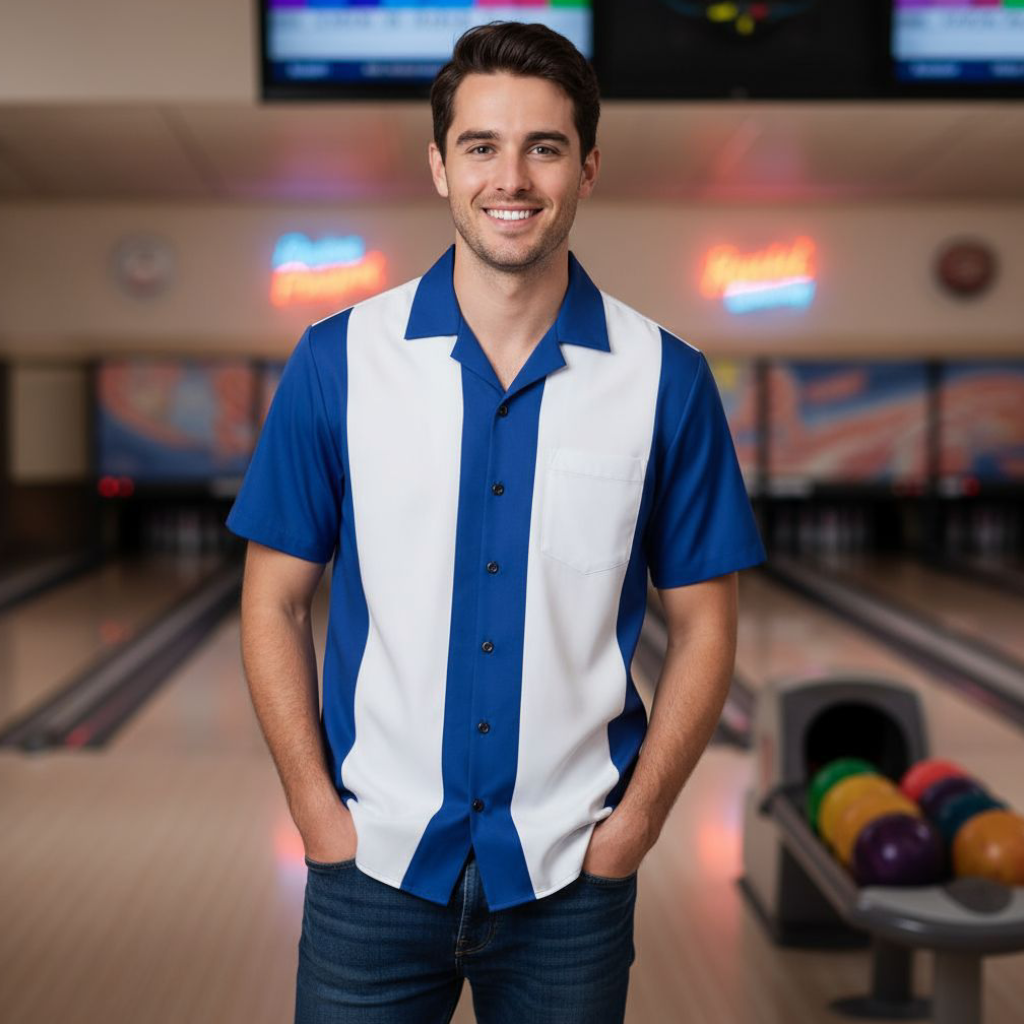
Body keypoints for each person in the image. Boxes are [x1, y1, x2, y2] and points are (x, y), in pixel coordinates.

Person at [226, 19, 765, 1024]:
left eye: (543, 146)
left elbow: (705, 626)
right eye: (480, 145)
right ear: (439, 165)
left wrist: (633, 825)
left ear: (587, 167)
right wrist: (315, 809)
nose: (509, 176)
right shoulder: (338, 361)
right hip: (370, 874)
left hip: (570, 884)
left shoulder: (667, 381)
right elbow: (272, 601)